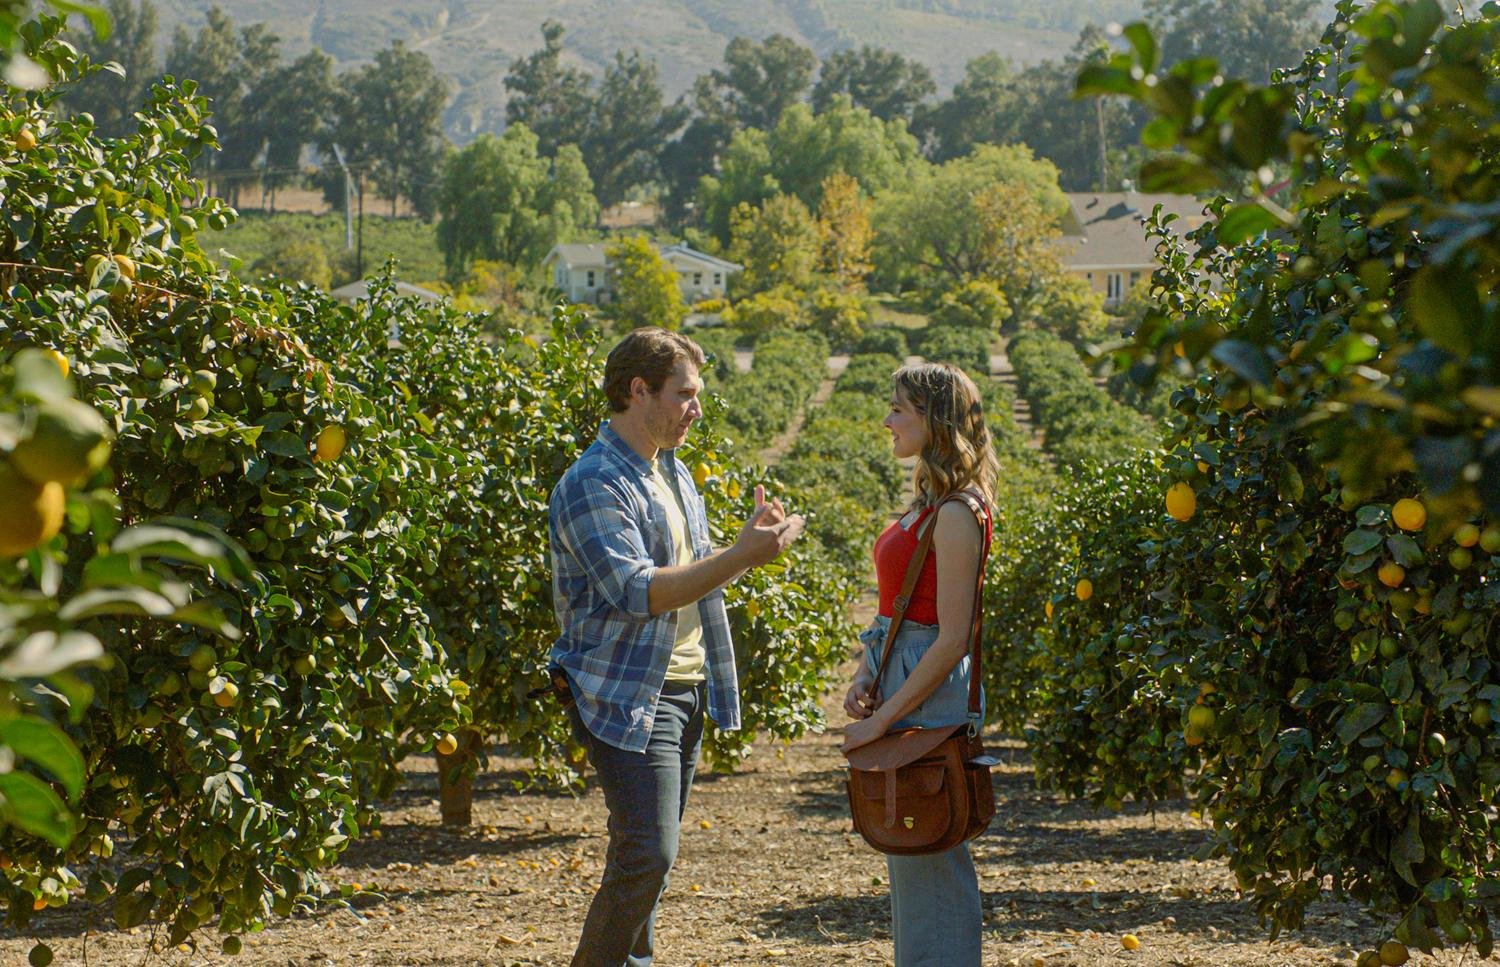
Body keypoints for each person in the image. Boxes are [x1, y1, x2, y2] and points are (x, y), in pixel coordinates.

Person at [548, 326, 806, 967]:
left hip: (683, 687)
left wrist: (748, 553)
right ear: (639, 391)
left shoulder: (674, 473)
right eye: (685, 394)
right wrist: (743, 555)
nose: (696, 408)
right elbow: (636, 591)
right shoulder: (594, 482)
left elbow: (696, 572)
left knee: (648, 860)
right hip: (629, 692)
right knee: (649, 852)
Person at [841, 361, 998, 967]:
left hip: (927, 691)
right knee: (911, 846)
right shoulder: (931, 501)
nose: (887, 420)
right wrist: (866, 673)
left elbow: (952, 637)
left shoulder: (958, 512)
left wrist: (884, 723)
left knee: (931, 838)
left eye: (900, 408)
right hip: (902, 682)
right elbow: (896, 608)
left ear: (935, 420)